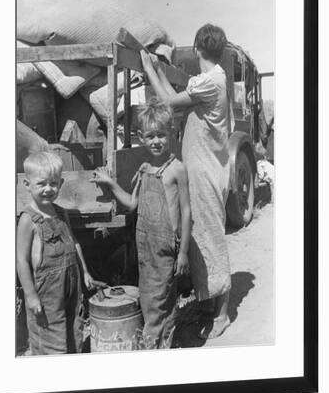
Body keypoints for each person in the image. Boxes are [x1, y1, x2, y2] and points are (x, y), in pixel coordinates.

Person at [140, 23, 232, 339]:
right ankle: (208, 306)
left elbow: (167, 102)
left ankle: (221, 314)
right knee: (200, 238)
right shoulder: (212, 79)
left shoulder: (210, 80)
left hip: (207, 171)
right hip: (203, 169)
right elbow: (175, 95)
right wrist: (160, 72)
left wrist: (148, 69)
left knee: (211, 239)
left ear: (196, 49)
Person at [92, 99, 191, 349]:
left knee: (159, 298)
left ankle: (152, 344)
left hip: (166, 244)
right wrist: (109, 183)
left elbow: (188, 213)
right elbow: (132, 204)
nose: (156, 141)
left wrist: (183, 252)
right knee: (152, 296)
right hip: (144, 244)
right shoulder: (144, 169)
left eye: (161, 135)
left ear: (171, 134)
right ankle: (165, 342)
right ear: (140, 138)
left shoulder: (177, 169)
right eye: (150, 136)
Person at [17, 151, 105, 354]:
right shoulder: (28, 220)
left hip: (71, 287)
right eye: (41, 184)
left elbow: (74, 244)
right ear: (27, 185)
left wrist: (85, 272)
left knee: (74, 331)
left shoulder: (61, 213)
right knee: (51, 341)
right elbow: (21, 260)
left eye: (54, 183)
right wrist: (30, 295)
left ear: (61, 182)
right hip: (46, 293)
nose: (49, 189)